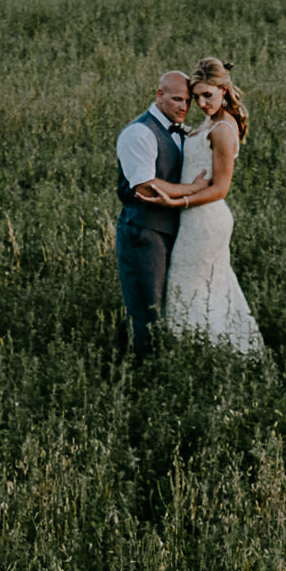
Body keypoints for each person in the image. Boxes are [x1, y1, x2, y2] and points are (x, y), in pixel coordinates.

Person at [147, 56, 262, 355]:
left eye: (207, 95)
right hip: (194, 217)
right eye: (196, 96)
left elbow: (221, 189)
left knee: (187, 284)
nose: (200, 103)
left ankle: (200, 351)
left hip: (206, 220)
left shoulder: (223, 129)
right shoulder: (212, 120)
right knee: (206, 285)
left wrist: (178, 199)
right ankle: (212, 348)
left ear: (224, 90)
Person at [108, 68, 193, 356]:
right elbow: (144, 188)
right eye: (177, 99)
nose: (184, 107)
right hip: (143, 232)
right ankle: (144, 376)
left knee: (171, 306)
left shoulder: (180, 131)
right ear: (159, 95)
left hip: (172, 230)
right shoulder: (139, 133)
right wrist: (195, 189)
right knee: (148, 309)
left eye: (188, 101)